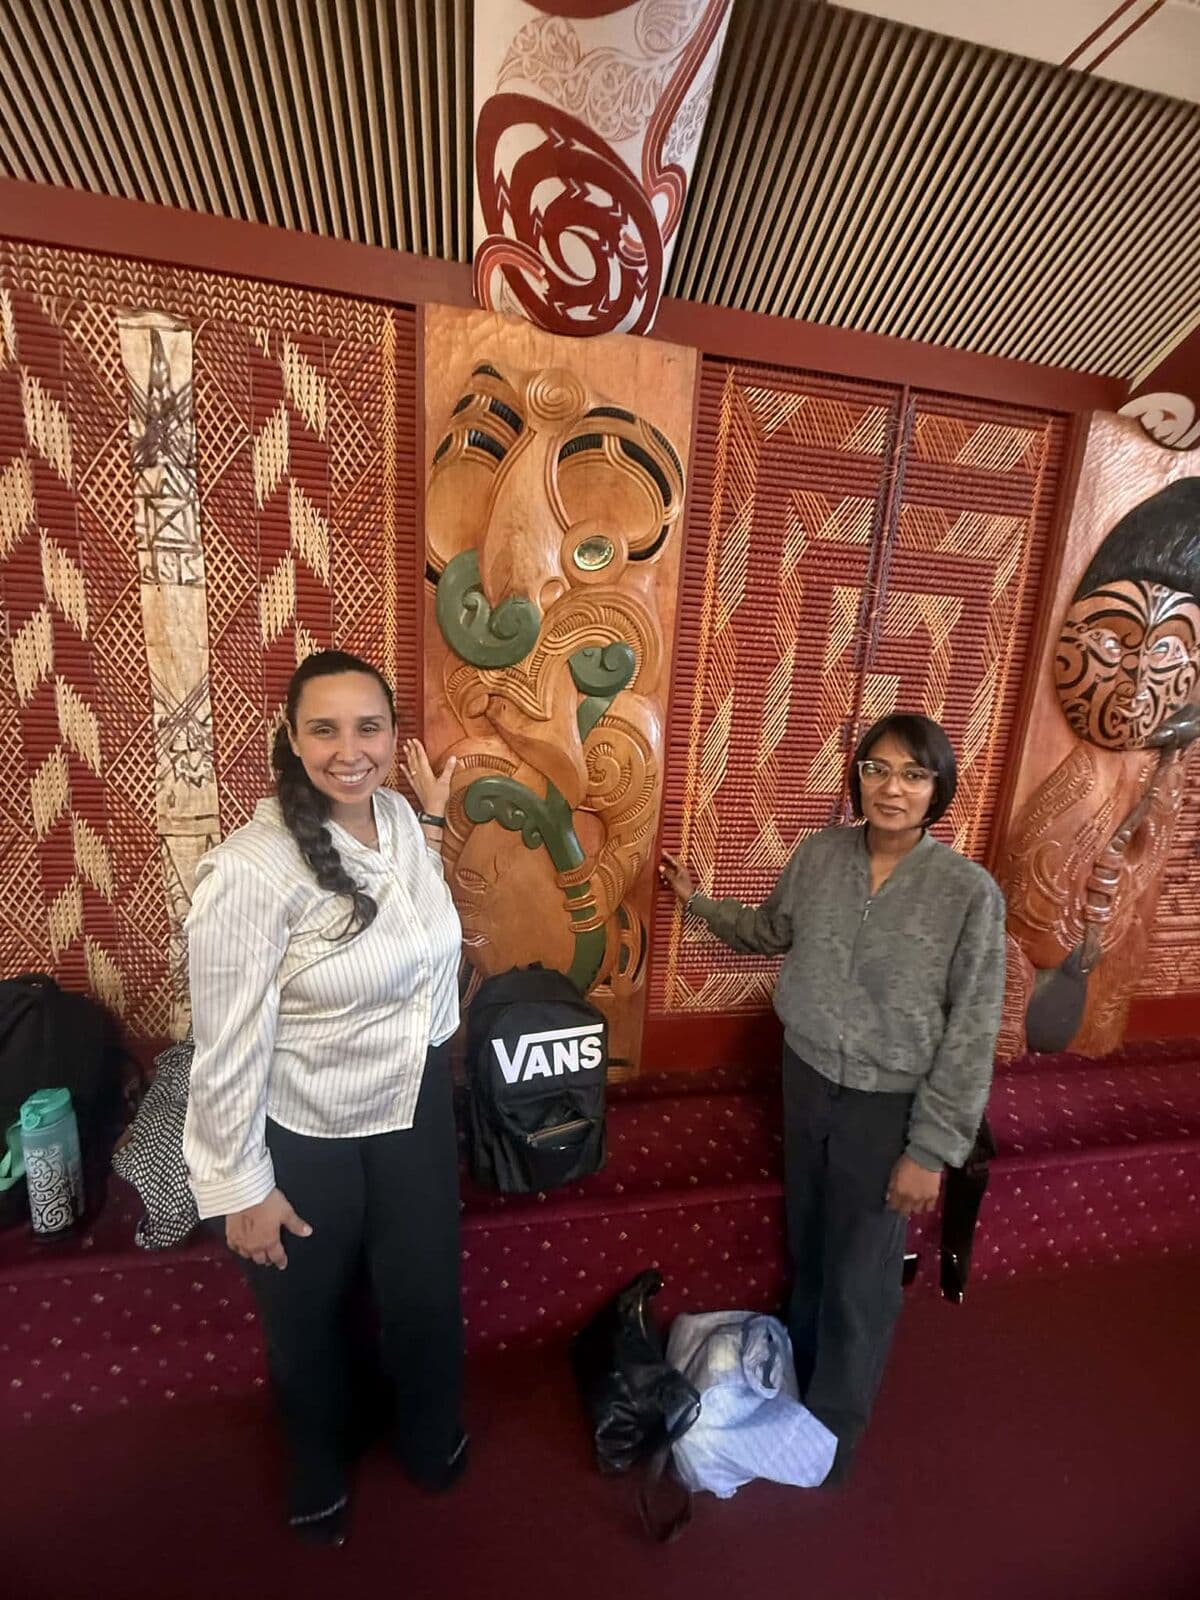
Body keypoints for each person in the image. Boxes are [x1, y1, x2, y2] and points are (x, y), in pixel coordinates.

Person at [659, 713, 1006, 1482]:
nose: (892, 788)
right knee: (810, 1242)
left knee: (860, 1271)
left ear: (938, 788)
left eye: (913, 774)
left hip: (888, 1104)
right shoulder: (820, 855)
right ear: (857, 777)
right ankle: (797, 1386)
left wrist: (930, 1150)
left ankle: (830, 1437)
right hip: (807, 1076)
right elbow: (771, 931)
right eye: (878, 769)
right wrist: (699, 903)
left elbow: (973, 1031)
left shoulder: (966, 893)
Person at [183, 650, 465, 1546]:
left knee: (424, 1292)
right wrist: (241, 1187)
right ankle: (317, 1469)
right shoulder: (253, 870)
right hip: (309, 1128)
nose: (351, 750)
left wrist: (431, 816)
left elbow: (412, 921)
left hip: (414, 1104)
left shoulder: (400, 819)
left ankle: (429, 1439)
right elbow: (226, 1048)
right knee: (306, 1316)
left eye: (369, 727)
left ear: (392, 733)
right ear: (292, 738)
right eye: (326, 729)